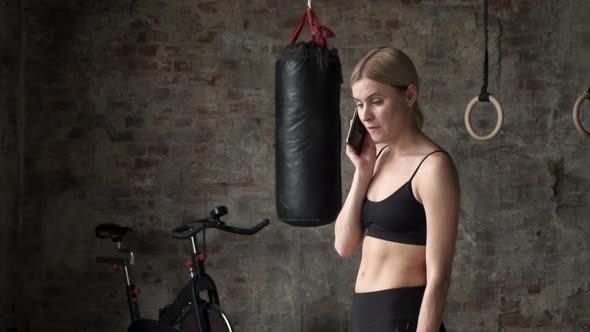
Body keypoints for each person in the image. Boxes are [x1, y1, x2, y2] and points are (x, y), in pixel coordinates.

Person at [334, 47, 460, 332]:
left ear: (410, 95)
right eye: (358, 104)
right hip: (364, 318)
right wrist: (362, 172)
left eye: (376, 101)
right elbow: (344, 245)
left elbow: (439, 278)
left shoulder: (433, 167)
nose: (365, 115)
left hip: (402, 318)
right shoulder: (377, 157)